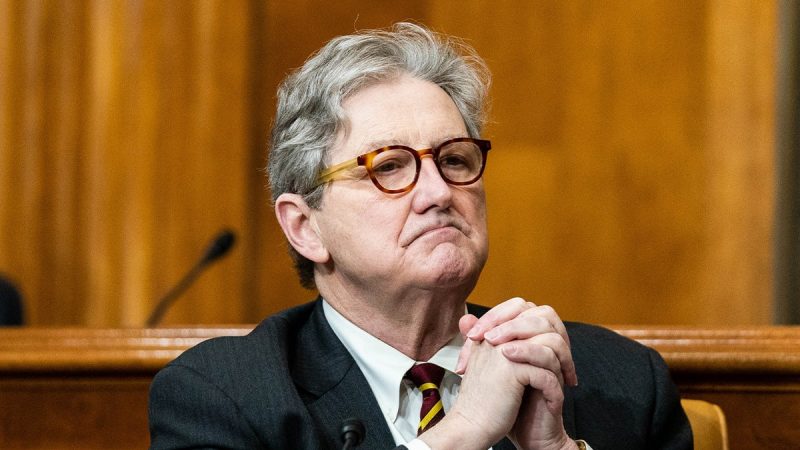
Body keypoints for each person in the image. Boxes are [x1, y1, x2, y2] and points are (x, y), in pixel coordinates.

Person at [149, 23, 692, 449]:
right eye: (388, 167)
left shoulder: (620, 384)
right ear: (304, 227)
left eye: (454, 159)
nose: (438, 192)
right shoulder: (226, 396)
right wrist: (463, 432)